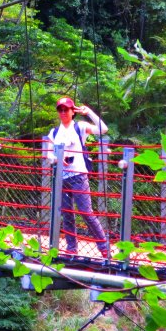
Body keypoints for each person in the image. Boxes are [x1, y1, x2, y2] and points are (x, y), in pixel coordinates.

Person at [47, 97, 108, 257]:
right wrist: (59, 159)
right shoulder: (54, 132)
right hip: (62, 177)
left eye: (66, 109)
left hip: (79, 175)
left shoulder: (79, 127)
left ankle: (104, 248)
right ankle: (71, 248)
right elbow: (48, 155)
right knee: (67, 213)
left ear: (73, 111)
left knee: (86, 212)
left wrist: (90, 113)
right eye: (60, 110)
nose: (63, 112)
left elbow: (103, 129)